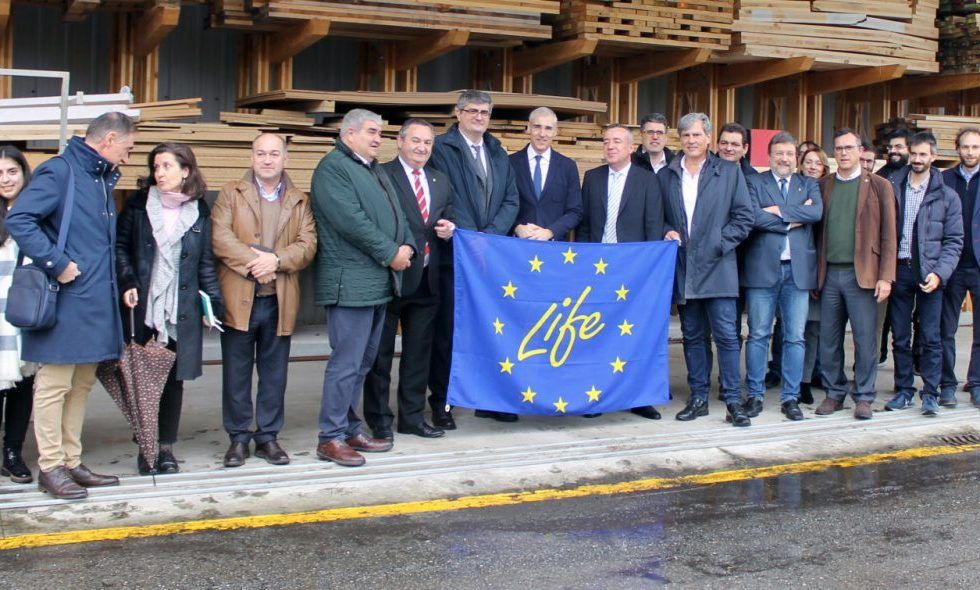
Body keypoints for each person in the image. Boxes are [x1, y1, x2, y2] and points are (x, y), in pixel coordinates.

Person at [6, 112, 135, 499]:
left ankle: (71, 461)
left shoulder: (98, 177)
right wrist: (57, 264)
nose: (128, 158)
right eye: (127, 149)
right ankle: (51, 466)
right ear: (110, 139)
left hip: (94, 298)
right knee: (54, 384)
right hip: (66, 297)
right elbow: (20, 220)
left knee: (79, 384)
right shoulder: (60, 172)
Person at [311, 109, 414, 467]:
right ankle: (331, 437)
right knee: (346, 363)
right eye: (372, 132)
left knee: (363, 363)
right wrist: (391, 253)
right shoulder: (333, 169)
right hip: (350, 282)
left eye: (380, 133)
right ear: (349, 133)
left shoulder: (372, 169)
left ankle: (351, 429)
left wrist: (409, 246)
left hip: (375, 283)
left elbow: (399, 215)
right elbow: (352, 222)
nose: (377, 139)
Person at [116, 142, 224, 475]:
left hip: (181, 308)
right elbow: (120, 249)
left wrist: (212, 304)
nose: (159, 173)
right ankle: (144, 447)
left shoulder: (199, 211)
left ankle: (165, 450)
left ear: (186, 171)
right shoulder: (137, 206)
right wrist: (128, 281)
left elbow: (205, 262)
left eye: (166, 166)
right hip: (143, 304)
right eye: (156, 167)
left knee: (172, 382)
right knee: (141, 379)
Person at [211, 133, 317, 468]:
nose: (267, 159)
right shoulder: (231, 193)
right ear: (252, 157)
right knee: (236, 373)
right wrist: (257, 265)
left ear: (286, 159)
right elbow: (220, 237)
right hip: (239, 296)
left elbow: (308, 243)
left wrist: (277, 261)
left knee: (275, 375)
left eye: (274, 154)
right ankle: (239, 438)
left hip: (279, 299)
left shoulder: (299, 200)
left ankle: (268, 437)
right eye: (260, 153)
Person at [428, 90, 519, 424]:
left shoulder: (497, 151)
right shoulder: (440, 149)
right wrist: (471, 237)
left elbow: (511, 198)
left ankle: (489, 398)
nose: (479, 116)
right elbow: (443, 197)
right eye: (472, 110)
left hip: (490, 257)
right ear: (458, 113)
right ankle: (442, 402)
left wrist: (489, 236)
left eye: (485, 112)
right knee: (449, 332)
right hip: (454, 256)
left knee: (490, 331)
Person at [363, 119, 454, 440]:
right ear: (399, 142)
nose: (421, 148)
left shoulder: (440, 179)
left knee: (418, 355)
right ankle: (379, 420)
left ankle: (412, 418)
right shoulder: (382, 175)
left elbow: (449, 214)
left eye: (427, 143)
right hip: (391, 278)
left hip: (428, 278)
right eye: (415, 141)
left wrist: (449, 228)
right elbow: (373, 222)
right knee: (380, 355)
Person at [661, 113, 754, 426]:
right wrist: (665, 230)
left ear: (708, 139)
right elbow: (660, 217)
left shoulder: (728, 172)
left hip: (718, 268)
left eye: (697, 135)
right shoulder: (668, 174)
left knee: (727, 337)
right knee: (693, 336)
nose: (691, 140)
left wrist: (718, 244)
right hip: (685, 268)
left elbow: (744, 217)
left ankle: (733, 402)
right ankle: (698, 397)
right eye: (686, 135)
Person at [576, 124, 665, 420]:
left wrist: (647, 272)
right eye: (606, 141)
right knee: (597, 334)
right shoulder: (592, 178)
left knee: (634, 334)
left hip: (633, 272)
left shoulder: (647, 181)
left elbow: (653, 227)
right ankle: (595, 394)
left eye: (617, 141)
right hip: (598, 271)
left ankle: (638, 398)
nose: (610, 146)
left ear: (630, 148)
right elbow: (586, 227)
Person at [814, 128, 897, 420]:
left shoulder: (879, 186)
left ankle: (863, 396)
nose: (844, 153)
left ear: (860, 151)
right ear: (833, 153)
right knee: (829, 339)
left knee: (865, 340)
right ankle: (834, 393)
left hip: (863, 276)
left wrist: (886, 276)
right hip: (831, 275)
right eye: (838, 148)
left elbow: (889, 235)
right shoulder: (824, 185)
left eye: (849, 147)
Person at [741, 133, 822, 422]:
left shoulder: (808, 183)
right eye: (779, 153)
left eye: (789, 153)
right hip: (763, 270)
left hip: (797, 272)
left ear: (795, 157)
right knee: (759, 335)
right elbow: (752, 217)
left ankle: (791, 398)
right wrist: (793, 219)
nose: (784, 158)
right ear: (769, 155)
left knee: (795, 338)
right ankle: (755, 395)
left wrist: (777, 212)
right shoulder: (754, 182)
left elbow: (816, 213)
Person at [882, 133, 963, 415]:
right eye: (913, 154)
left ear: (933, 157)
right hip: (899, 270)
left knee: (931, 337)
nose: (917, 159)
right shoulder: (892, 186)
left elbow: (954, 241)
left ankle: (931, 392)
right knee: (900, 336)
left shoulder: (947, 195)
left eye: (923, 155)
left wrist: (940, 274)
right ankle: (904, 390)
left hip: (930, 274)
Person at [0, 146, 37, 484]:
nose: (5, 179)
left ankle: (13, 452)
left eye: (12, 171)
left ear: (24, 174)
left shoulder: (36, 212)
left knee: (23, 386)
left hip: (26, 311)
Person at [941, 127, 980, 407]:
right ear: (957, 149)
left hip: (979, 265)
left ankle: (976, 382)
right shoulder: (944, 179)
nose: (970, 152)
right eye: (965, 147)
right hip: (951, 265)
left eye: (975, 147)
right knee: (946, 329)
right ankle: (947, 384)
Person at [510, 107, 583, 242]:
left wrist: (551, 231)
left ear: (555, 132)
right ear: (528, 129)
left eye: (548, 128)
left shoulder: (568, 167)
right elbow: (501, 204)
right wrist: (516, 227)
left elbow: (575, 211)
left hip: (554, 248)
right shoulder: (510, 164)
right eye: (537, 127)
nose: (542, 134)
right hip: (517, 246)